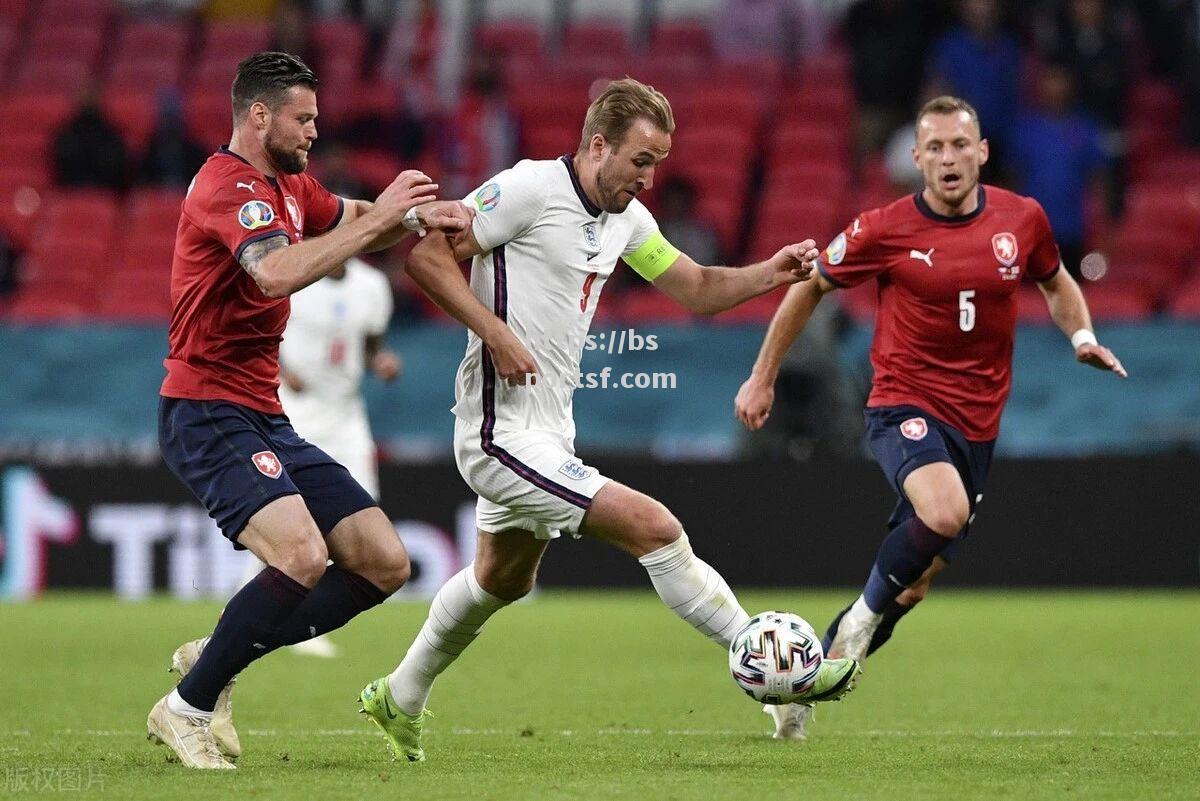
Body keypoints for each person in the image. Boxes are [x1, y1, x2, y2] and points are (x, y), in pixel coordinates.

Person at [355, 78, 863, 763]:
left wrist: (770, 273)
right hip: (496, 431)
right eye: (642, 161)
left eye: (657, 164)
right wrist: (496, 333)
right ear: (599, 146)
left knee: (503, 578)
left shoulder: (626, 220)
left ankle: (400, 695)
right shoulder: (529, 188)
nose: (650, 179)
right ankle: (779, 673)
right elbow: (424, 256)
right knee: (654, 526)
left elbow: (698, 288)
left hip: (548, 427)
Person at [734, 95, 1126, 742]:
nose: (948, 158)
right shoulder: (882, 229)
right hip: (902, 403)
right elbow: (809, 286)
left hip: (977, 428)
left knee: (911, 589)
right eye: (935, 148)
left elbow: (1056, 282)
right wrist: (762, 374)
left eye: (959, 145)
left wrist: (1082, 336)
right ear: (916, 159)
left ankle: (803, 684)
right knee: (941, 514)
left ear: (982, 152)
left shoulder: (1021, 219)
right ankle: (856, 623)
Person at [147, 51, 472, 769]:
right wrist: (379, 220)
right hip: (206, 408)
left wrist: (415, 217)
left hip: (263, 413)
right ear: (259, 115)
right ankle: (186, 707)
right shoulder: (228, 186)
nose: (315, 129)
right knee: (302, 554)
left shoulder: (289, 184)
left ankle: (218, 656)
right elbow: (274, 272)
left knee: (384, 562)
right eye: (304, 117)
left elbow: (352, 216)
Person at [239, 255, 400, 659]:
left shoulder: (372, 285)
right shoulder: (293, 273)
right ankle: (245, 610)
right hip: (293, 413)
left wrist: (379, 361)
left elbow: (369, 343)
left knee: (361, 514)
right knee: (285, 518)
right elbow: (252, 327)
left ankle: (305, 620)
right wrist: (279, 367)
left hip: (347, 414)